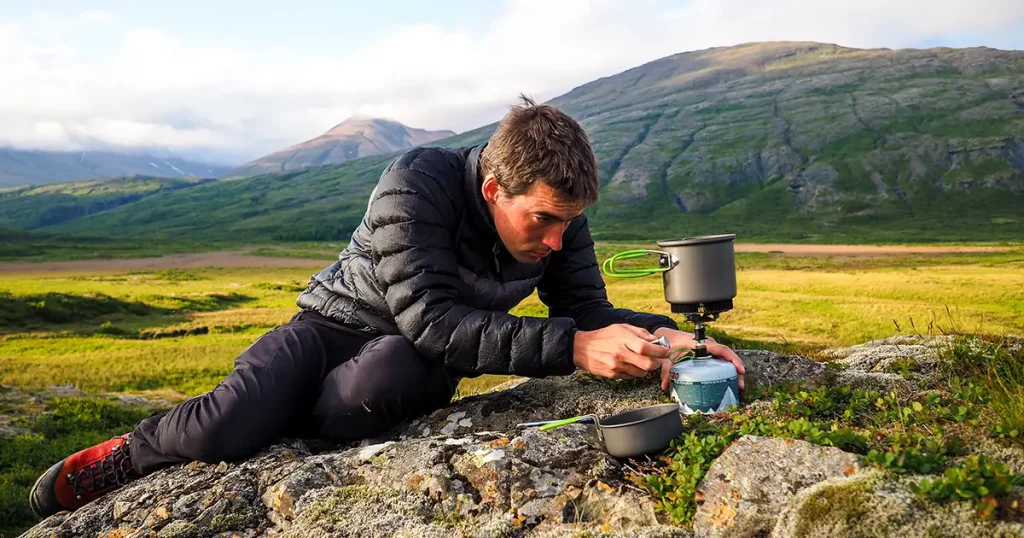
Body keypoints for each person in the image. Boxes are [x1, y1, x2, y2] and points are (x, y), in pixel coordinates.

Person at [29, 95, 745, 518]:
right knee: (224, 426)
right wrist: (574, 350)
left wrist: (677, 340)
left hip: (413, 359)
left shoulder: (558, 214)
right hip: (327, 329)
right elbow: (433, 315)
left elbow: (588, 311)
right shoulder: (418, 182)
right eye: (544, 222)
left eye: (568, 223)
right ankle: (125, 455)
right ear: (495, 190)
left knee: (379, 386)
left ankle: (291, 421)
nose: (557, 241)